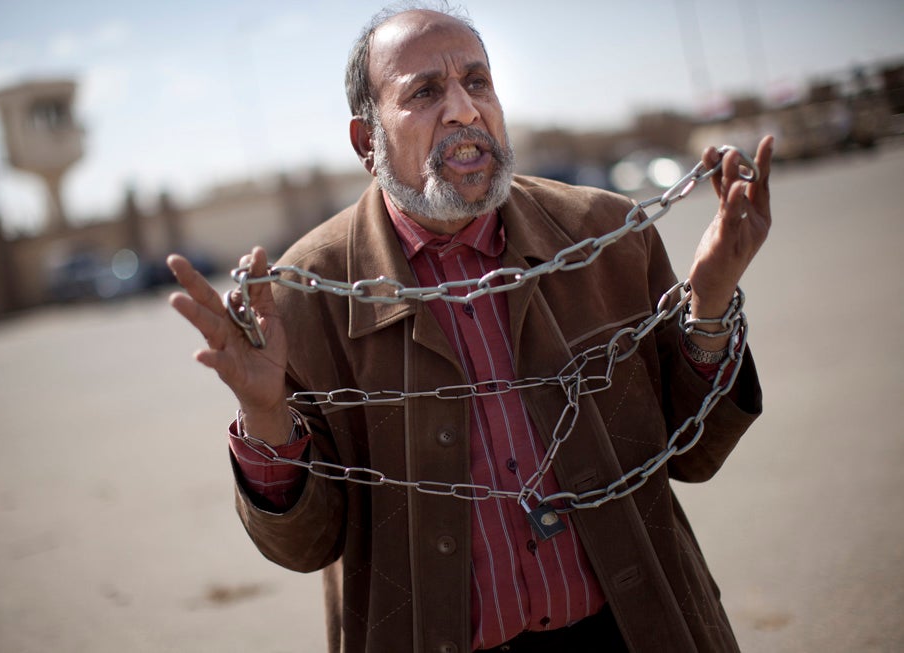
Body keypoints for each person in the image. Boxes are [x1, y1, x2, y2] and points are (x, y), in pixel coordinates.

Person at [168, 4, 772, 652]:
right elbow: (307, 542)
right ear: (366, 142)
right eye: (425, 92)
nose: (463, 110)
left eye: (477, 82)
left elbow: (695, 451)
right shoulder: (303, 299)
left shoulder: (604, 234)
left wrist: (707, 305)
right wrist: (265, 418)